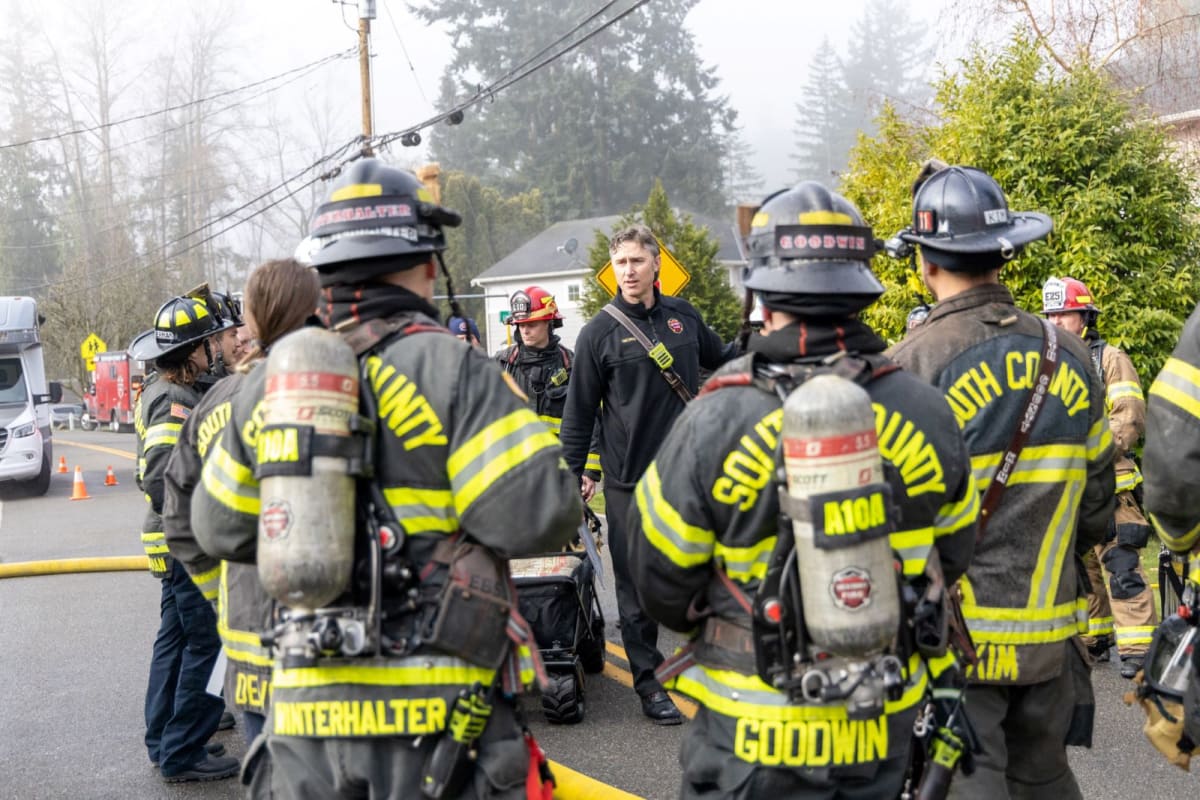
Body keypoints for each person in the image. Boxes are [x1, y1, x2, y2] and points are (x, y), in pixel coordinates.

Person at [190, 158, 581, 798]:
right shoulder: (456, 371)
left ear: (324, 273)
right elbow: (539, 515)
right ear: (429, 264)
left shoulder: (269, 383)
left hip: (307, 726)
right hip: (443, 725)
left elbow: (216, 526)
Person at [628, 182, 979, 798]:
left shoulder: (714, 417)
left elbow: (659, 579)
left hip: (747, 748)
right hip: (884, 743)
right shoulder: (929, 411)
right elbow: (950, 557)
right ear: (861, 288)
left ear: (760, 293)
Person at [888, 165, 1116, 798]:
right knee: (1045, 785)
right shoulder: (1069, 356)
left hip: (954, 654)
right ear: (1003, 251)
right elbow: (1096, 506)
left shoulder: (911, 367)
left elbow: (889, 521)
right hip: (1049, 647)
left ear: (926, 262)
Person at [560, 223, 736, 724]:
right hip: (628, 483)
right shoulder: (597, 333)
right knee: (635, 591)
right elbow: (577, 417)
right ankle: (650, 684)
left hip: (690, 478)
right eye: (621, 264)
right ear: (612, 270)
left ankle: (716, 672)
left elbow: (724, 363)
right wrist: (567, 482)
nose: (629, 272)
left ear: (657, 264)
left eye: (637, 261)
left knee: (706, 576)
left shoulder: (685, 317)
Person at [164, 259, 321, 745]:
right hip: (334, 646)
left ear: (251, 324)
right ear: (317, 312)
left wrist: (218, 592)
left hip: (251, 638)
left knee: (269, 775)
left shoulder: (217, 401)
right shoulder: (344, 387)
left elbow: (179, 515)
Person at [129, 295, 240, 783]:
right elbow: (158, 478)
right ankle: (182, 751)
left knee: (174, 642)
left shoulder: (167, 389)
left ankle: (165, 739)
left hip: (174, 543)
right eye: (212, 340)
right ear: (195, 351)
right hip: (186, 543)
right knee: (207, 644)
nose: (218, 347)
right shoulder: (177, 401)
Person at [1043, 276, 1156, 677]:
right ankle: (1095, 639)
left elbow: (1128, 416)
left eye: (1064, 313)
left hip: (1110, 484)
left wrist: (1089, 455)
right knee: (1083, 571)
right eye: (1050, 313)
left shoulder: (1109, 359)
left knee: (1121, 565)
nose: (1055, 320)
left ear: (1085, 316)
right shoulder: (1046, 362)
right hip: (1066, 485)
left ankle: (1139, 650)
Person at [494, 286, 602, 478]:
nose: (525, 331)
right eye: (521, 325)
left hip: (561, 471)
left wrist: (589, 472)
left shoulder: (572, 366)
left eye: (532, 324)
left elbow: (590, 420)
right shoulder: (502, 364)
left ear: (549, 323)